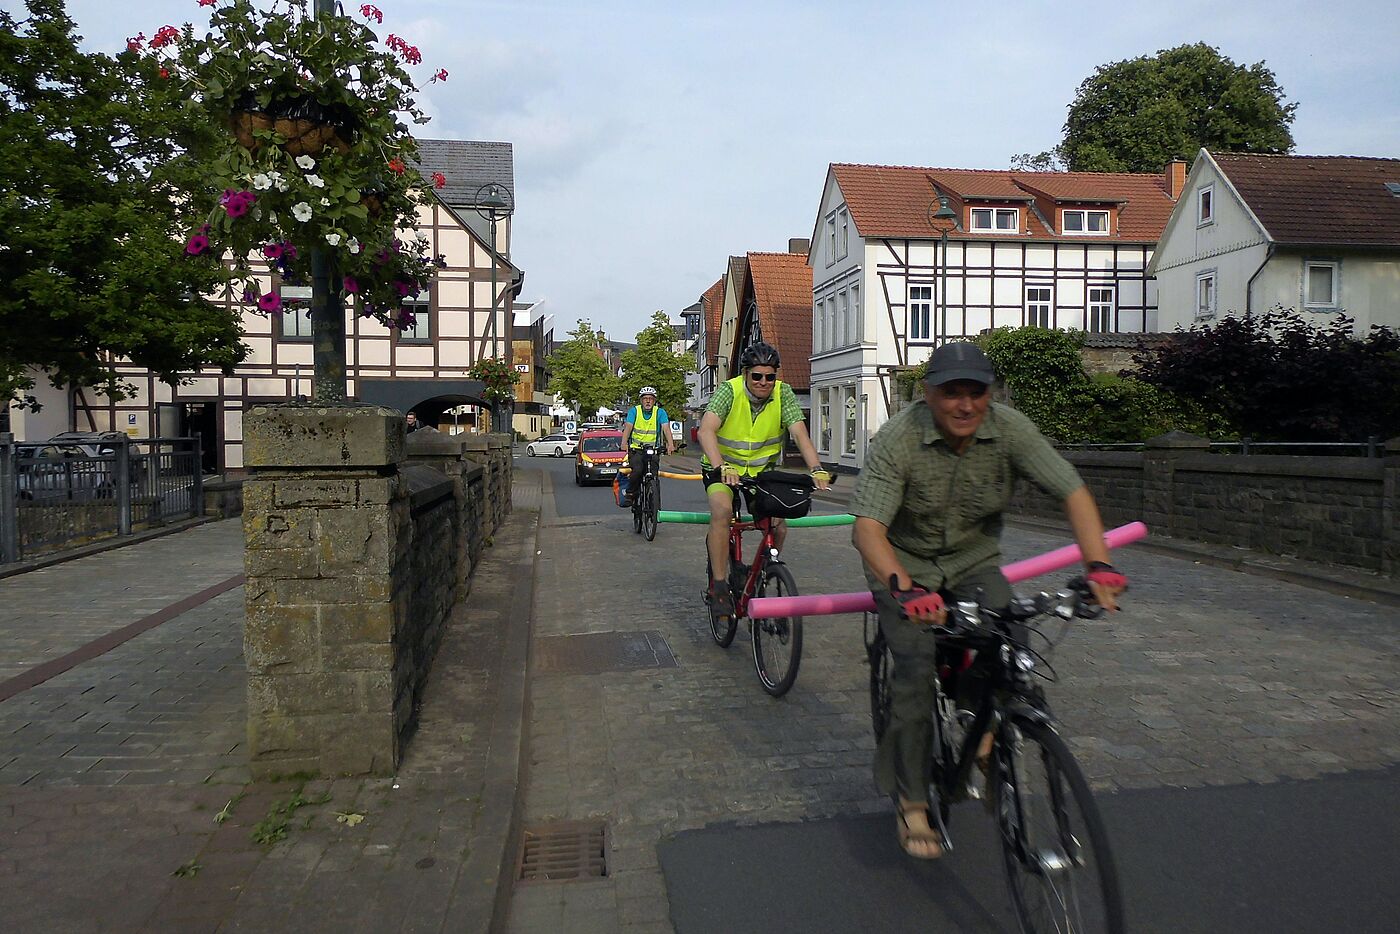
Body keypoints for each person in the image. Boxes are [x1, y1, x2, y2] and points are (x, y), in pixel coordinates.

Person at [850, 341, 1128, 861]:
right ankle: (912, 802)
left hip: (974, 562)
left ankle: (985, 735)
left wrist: (1099, 565)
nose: (964, 405)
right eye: (951, 393)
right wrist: (905, 588)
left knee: (1010, 644)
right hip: (904, 565)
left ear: (989, 394)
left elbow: (1072, 490)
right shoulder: (899, 438)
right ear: (928, 395)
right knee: (913, 668)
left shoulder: (1010, 430)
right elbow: (867, 529)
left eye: (975, 392)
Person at [697, 341, 832, 615]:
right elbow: (706, 431)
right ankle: (720, 586)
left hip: (761, 473)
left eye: (770, 376)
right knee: (722, 512)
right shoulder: (729, 391)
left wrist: (816, 468)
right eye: (757, 375)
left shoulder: (783, 394)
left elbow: (800, 434)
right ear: (746, 373)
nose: (763, 382)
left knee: (779, 524)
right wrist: (722, 466)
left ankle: (763, 571)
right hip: (722, 468)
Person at [619, 387, 676, 506]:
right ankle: (631, 493)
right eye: (645, 399)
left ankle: (654, 501)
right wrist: (624, 443)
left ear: (654, 401)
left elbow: (666, 428)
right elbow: (628, 427)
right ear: (641, 400)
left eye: (650, 398)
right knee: (638, 470)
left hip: (653, 450)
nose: (648, 401)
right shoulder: (634, 411)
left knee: (654, 475)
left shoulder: (660, 412)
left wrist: (670, 444)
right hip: (637, 450)